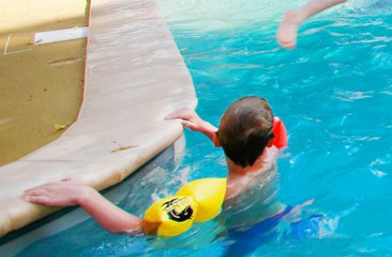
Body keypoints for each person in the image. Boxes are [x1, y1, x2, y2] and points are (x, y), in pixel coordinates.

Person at [22, 97, 286, 235]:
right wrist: (205, 127)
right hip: (276, 214)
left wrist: (86, 196)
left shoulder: (221, 193)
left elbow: (143, 229)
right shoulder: (271, 156)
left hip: (240, 234)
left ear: (221, 141)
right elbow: (272, 132)